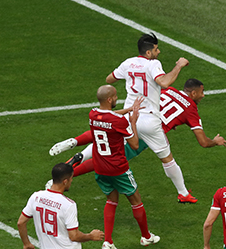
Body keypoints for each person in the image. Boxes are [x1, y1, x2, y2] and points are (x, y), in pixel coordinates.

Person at [51, 32, 196, 203]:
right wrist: (178, 66)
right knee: (167, 159)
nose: (158, 52)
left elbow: (110, 79)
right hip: (149, 120)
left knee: (103, 140)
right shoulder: (153, 64)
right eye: (156, 49)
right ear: (148, 53)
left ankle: (77, 154)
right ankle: (183, 193)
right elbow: (164, 82)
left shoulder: (128, 63)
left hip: (128, 116)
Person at [48, 79, 226, 191]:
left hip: (133, 117)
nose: (203, 96)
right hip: (144, 133)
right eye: (202, 92)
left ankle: (75, 152)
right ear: (194, 92)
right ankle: (60, 178)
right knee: (106, 160)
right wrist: (216, 141)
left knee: (101, 138)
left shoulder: (168, 90)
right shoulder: (192, 109)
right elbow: (203, 142)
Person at [90, 85, 160, 249]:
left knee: (111, 200)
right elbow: (135, 144)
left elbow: (108, 117)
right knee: (136, 199)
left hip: (100, 167)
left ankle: (108, 241)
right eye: (115, 96)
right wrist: (133, 121)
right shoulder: (119, 122)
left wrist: (128, 110)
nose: (116, 98)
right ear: (109, 99)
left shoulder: (92, 115)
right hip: (118, 168)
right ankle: (146, 236)